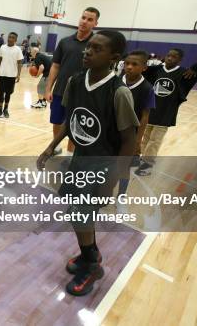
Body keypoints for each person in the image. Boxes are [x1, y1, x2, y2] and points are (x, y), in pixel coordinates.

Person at [37, 30, 138, 297]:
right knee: (76, 212)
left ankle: (92, 265)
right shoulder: (75, 81)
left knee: (81, 213)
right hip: (80, 159)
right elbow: (72, 121)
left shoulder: (119, 93)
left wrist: (112, 181)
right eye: (87, 48)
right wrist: (50, 147)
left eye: (96, 49)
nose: (87, 52)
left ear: (114, 58)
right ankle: (89, 254)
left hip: (102, 166)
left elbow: (130, 142)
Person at [135, 49, 197, 176]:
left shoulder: (184, 74)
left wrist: (195, 67)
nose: (170, 58)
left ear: (180, 60)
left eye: (174, 57)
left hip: (166, 112)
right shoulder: (156, 70)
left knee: (155, 140)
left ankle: (148, 164)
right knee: (146, 138)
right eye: (169, 55)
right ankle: (143, 158)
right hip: (150, 110)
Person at [45, 7, 100, 156]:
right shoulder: (64, 42)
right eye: (83, 17)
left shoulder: (97, 45)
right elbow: (55, 66)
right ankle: (56, 148)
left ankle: (70, 156)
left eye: (90, 19)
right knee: (56, 121)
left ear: (95, 23)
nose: (84, 22)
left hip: (82, 95)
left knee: (75, 126)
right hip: (60, 90)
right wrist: (48, 88)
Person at [120, 50, 155, 168]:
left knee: (125, 167)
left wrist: (138, 140)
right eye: (127, 63)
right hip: (112, 130)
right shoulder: (116, 81)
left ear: (144, 67)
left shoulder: (147, 88)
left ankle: (122, 186)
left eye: (134, 64)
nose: (129, 67)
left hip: (131, 133)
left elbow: (145, 116)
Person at [0, 32, 23, 118]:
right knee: (1, 92)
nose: (10, 39)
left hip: (12, 75)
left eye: (12, 38)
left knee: (8, 93)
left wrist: (19, 74)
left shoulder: (18, 49)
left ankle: (5, 109)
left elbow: (20, 63)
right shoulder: (2, 47)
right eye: (9, 37)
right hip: (2, 74)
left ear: (15, 40)